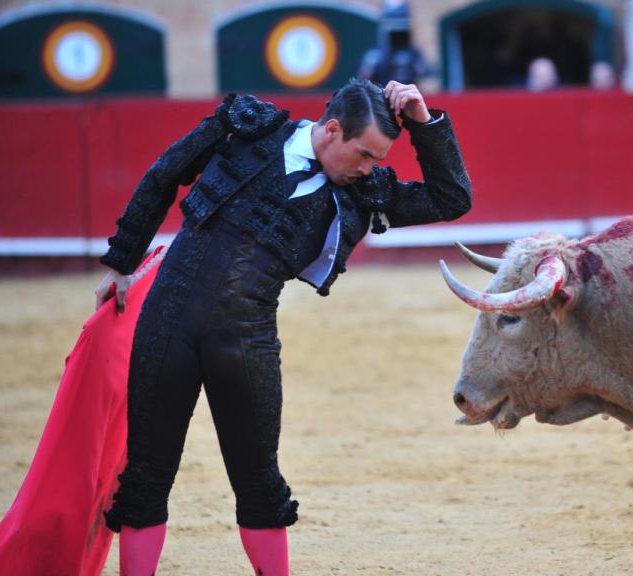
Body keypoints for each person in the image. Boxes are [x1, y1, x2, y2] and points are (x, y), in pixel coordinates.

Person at [93, 78, 472, 575]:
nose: (368, 168)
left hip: (245, 343)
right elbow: (166, 174)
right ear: (331, 129)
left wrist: (425, 123)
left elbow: (452, 199)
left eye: (376, 161)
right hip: (167, 324)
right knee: (146, 476)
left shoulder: (361, 192)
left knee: (258, 481)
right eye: (363, 154)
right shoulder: (249, 128)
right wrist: (122, 260)